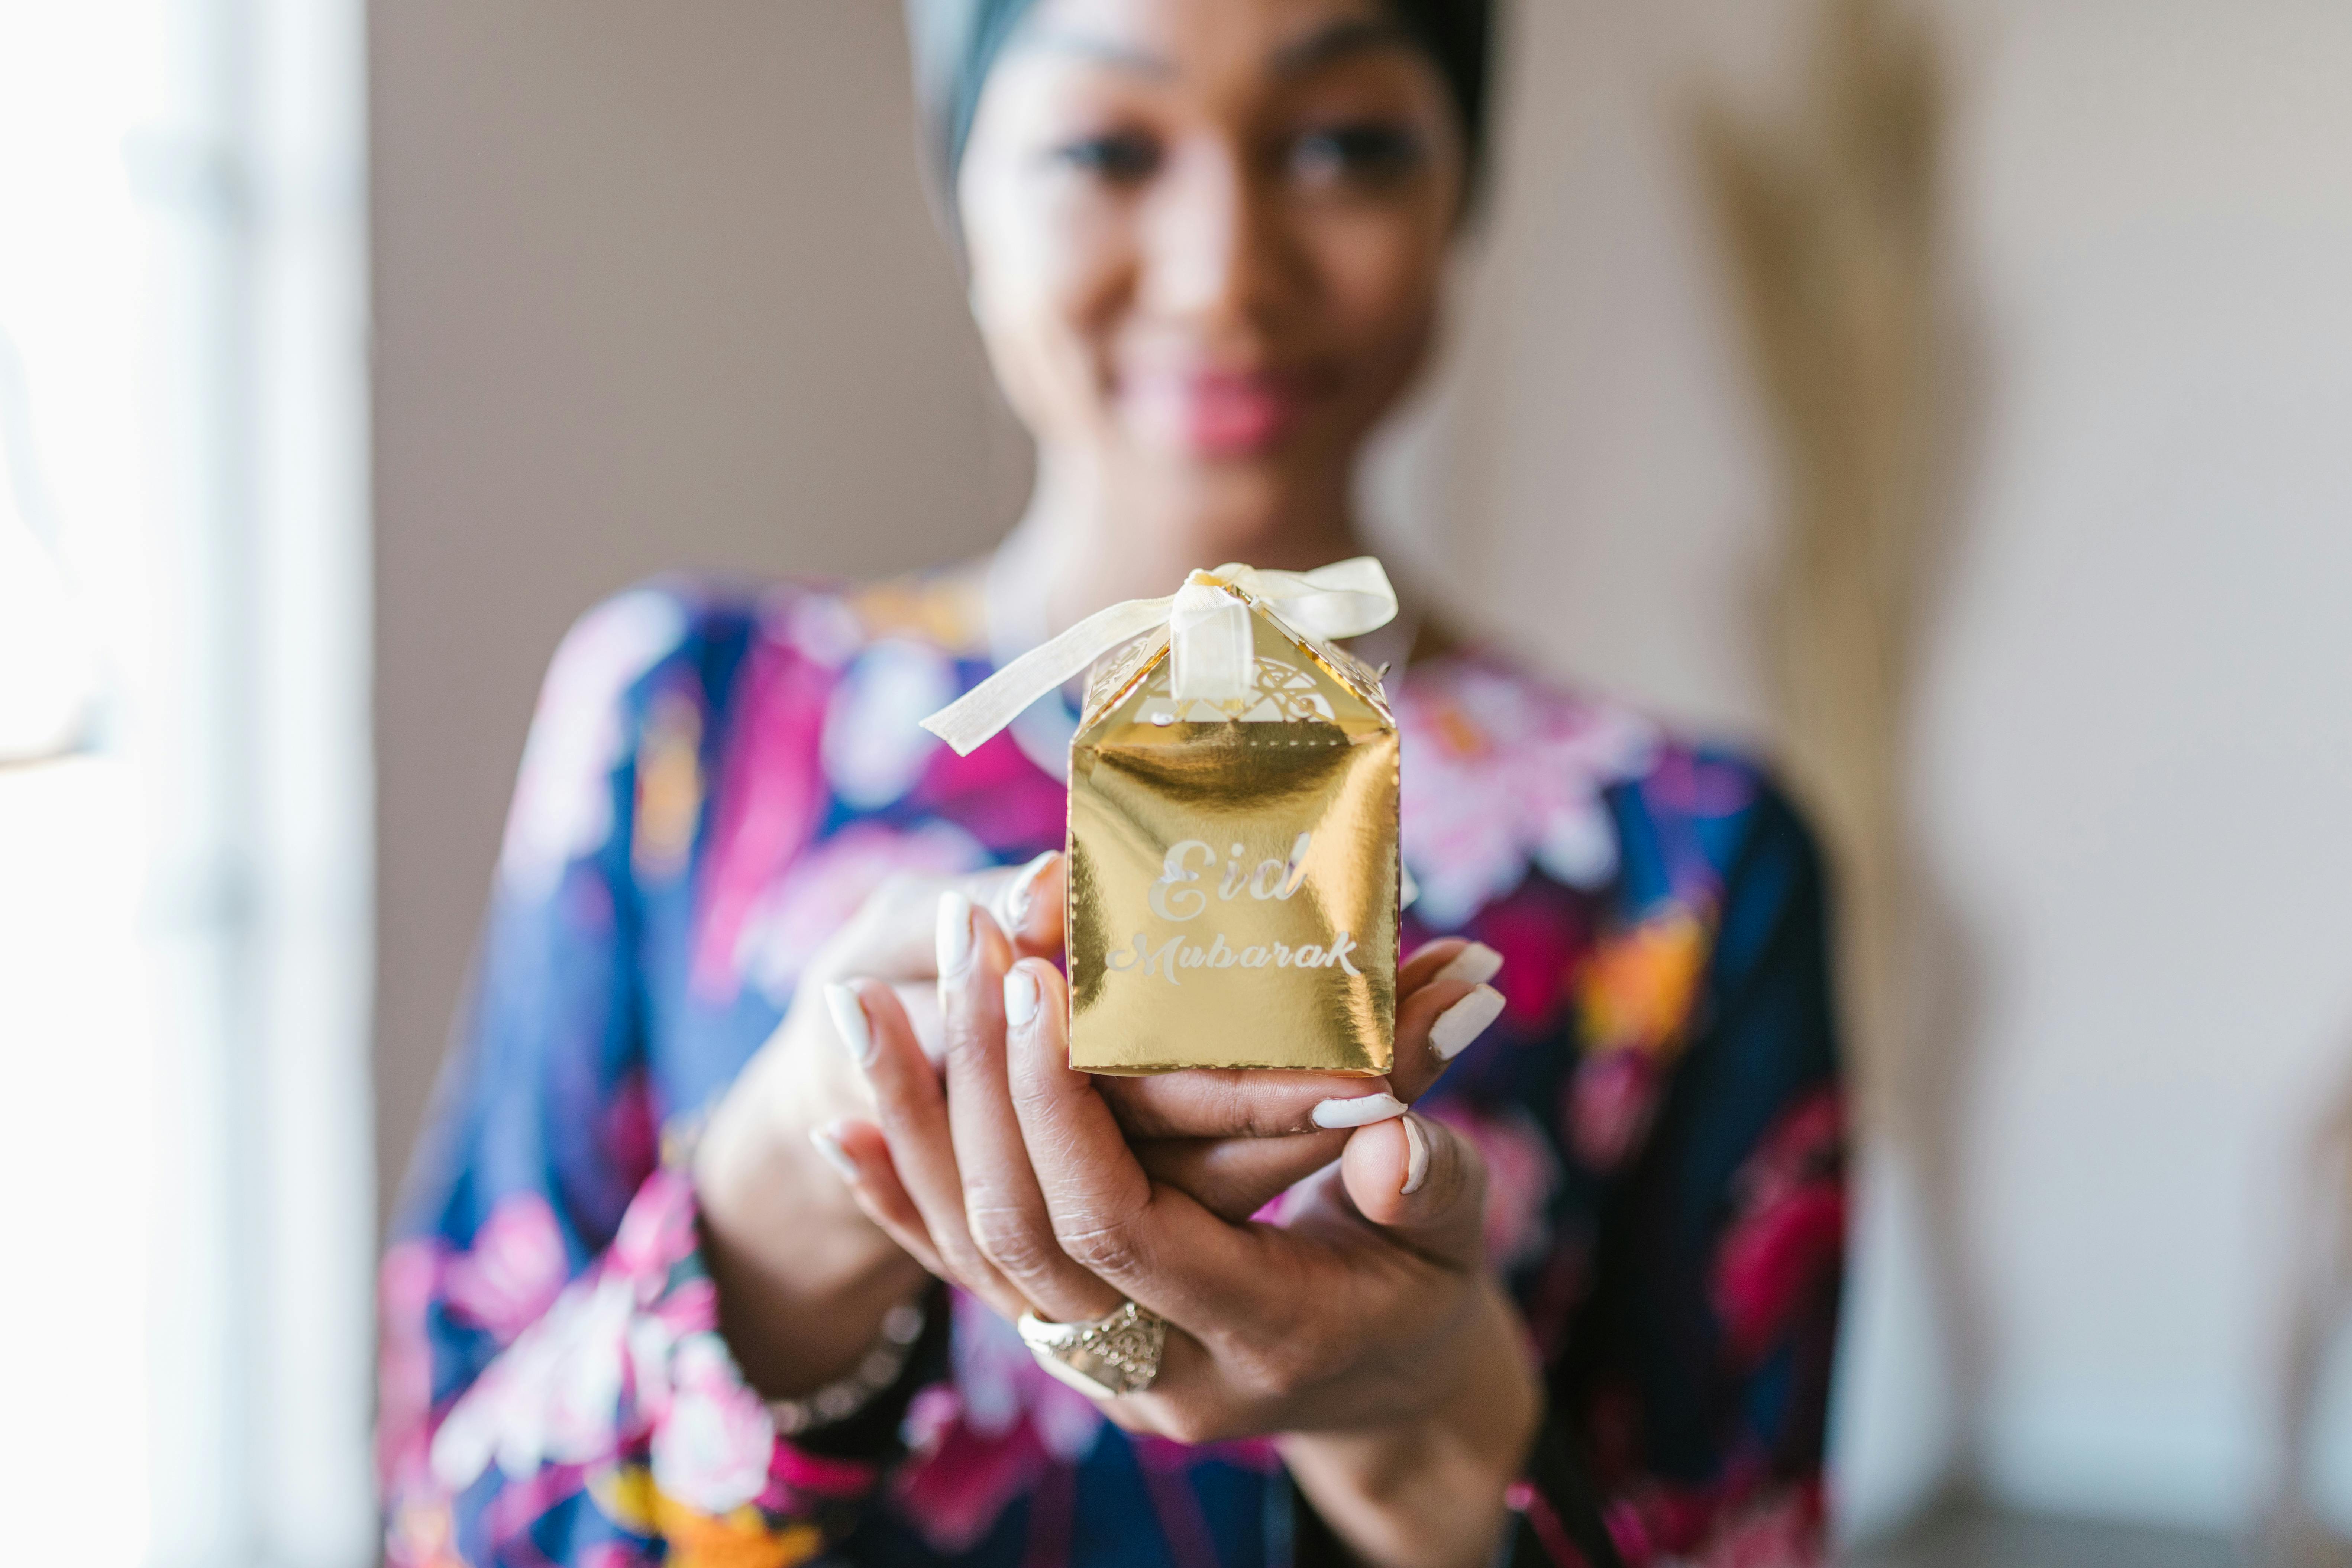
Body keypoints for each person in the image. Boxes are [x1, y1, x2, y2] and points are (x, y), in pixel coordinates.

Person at [377, 1, 1847, 1564]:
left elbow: (1738, 1530)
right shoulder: (686, 720)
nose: (1224, 273)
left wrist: (1426, 1426)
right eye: (1103, 147)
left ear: (1459, 185)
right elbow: (439, 1519)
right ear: (965, 188)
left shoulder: (1684, 848)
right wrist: (783, 1214)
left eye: (1343, 144)